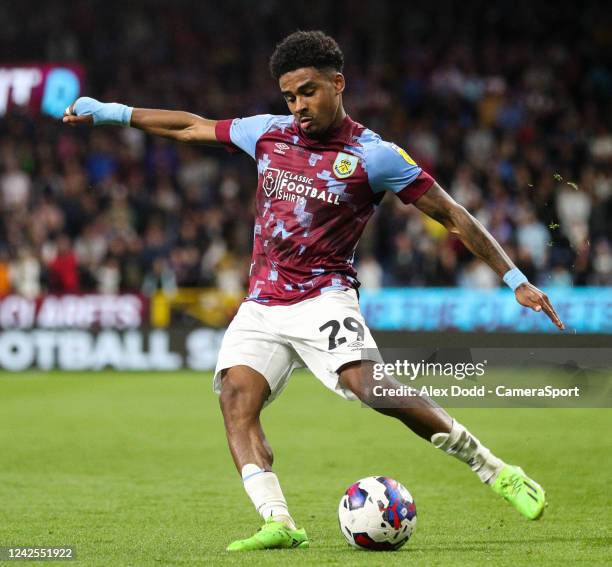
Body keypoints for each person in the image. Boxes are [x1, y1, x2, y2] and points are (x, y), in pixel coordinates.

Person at [63, 30, 565, 552]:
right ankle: (279, 521)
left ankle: (495, 470)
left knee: (373, 388)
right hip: (261, 303)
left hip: (324, 296)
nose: (298, 106)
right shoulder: (266, 133)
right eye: (290, 96)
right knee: (236, 396)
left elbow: (453, 216)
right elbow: (190, 126)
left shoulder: (376, 156)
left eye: (307, 92)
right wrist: (115, 111)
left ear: (337, 84)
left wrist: (516, 279)